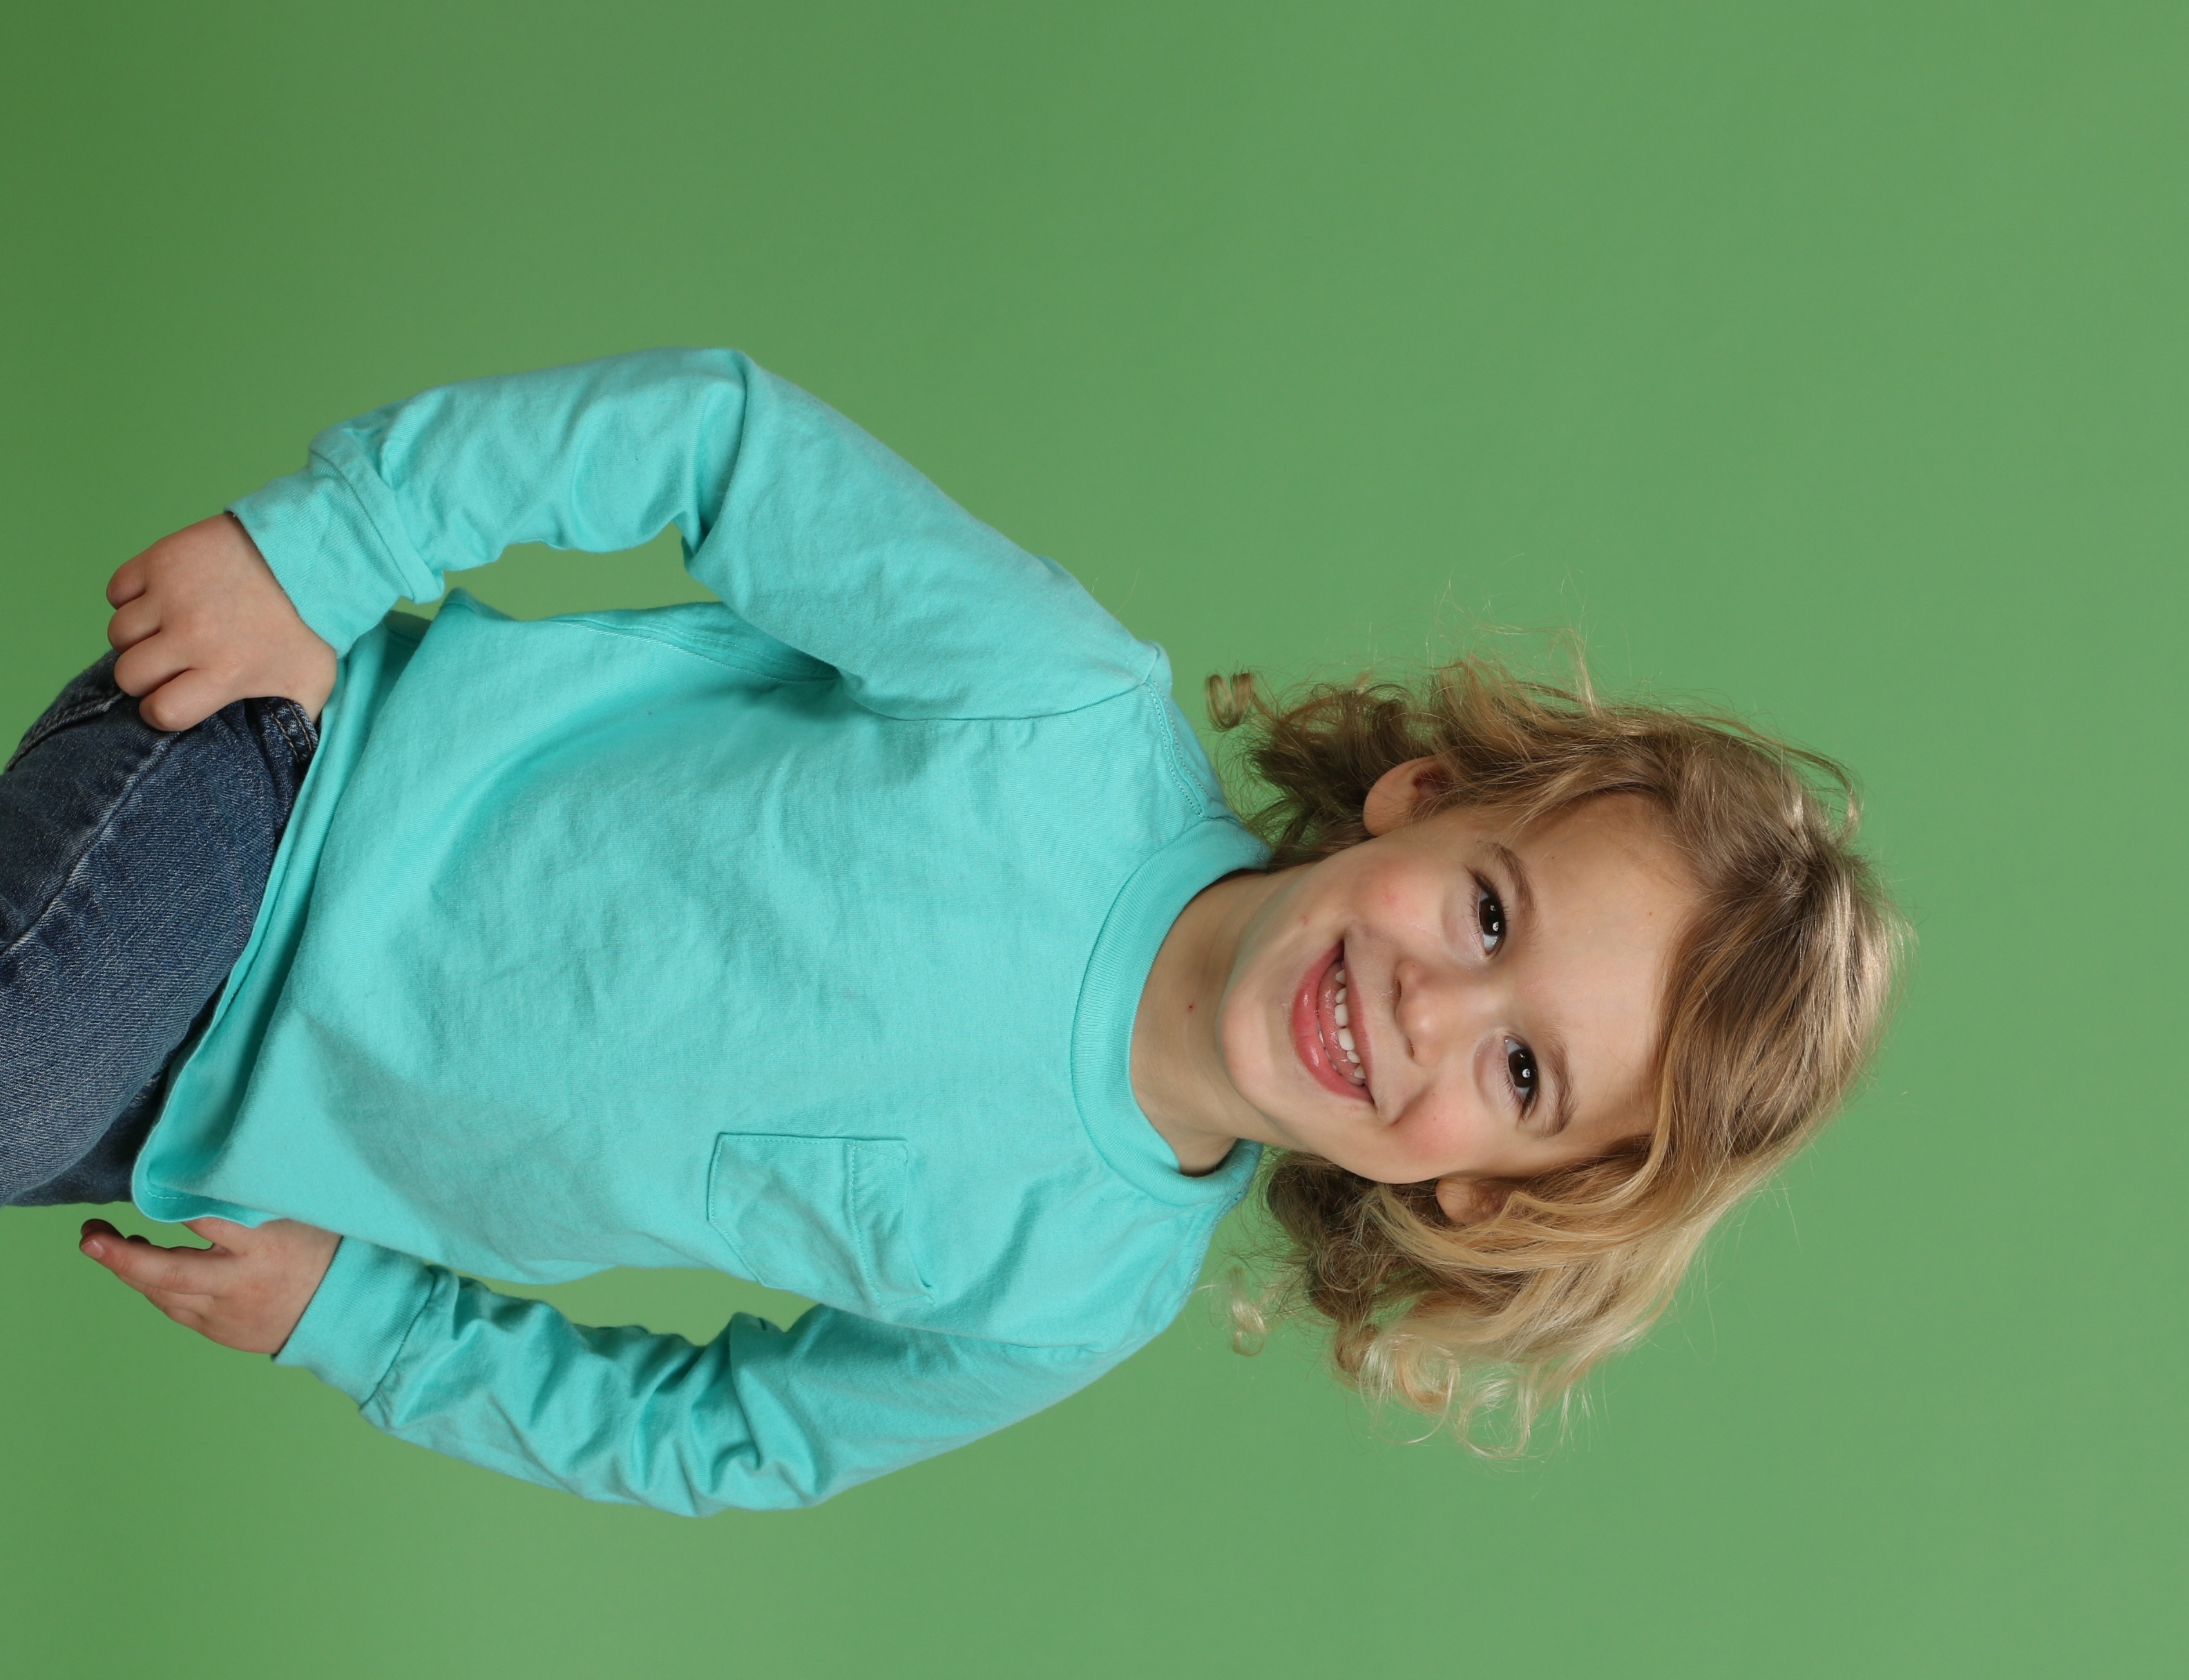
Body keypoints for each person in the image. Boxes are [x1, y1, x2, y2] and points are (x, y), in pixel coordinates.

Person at [0, 349, 1903, 1515]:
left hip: (204, 1134)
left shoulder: (1073, 1290)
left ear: (1479, 1195)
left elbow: (725, 1439)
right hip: (273, 790)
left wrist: (371, 1327)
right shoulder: (1057, 717)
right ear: (1423, 798)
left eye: (1522, 1071)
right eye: (1489, 912)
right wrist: (331, 545)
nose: (1431, 1004)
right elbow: (721, 448)